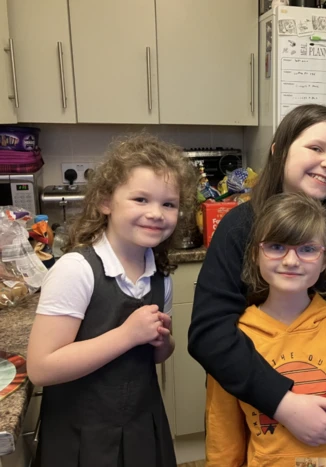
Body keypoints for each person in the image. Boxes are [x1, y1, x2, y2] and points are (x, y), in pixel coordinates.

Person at [189, 104, 326, 447]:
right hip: (256, 417)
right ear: (278, 151)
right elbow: (209, 334)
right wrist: (284, 404)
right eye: (316, 148)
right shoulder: (239, 228)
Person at [27, 134, 197, 466]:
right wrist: (127, 335)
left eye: (169, 204)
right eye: (140, 199)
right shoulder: (76, 270)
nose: (156, 213)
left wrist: (162, 342)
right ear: (106, 202)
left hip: (140, 428)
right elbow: (41, 368)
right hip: (82, 437)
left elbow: (156, 355)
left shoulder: (159, 275)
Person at [204, 192, 326, 466]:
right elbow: (223, 435)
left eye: (307, 249)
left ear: (325, 260)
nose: (291, 261)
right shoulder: (235, 341)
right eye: (276, 246)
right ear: (255, 254)